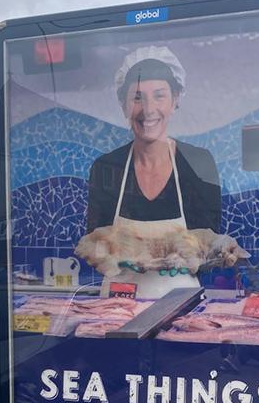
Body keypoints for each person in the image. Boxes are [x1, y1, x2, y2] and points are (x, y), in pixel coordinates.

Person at [84, 46, 222, 298]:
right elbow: (94, 243)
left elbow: (209, 246)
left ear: (175, 99)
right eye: (137, 97)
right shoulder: (106, 167)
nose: (148, 109)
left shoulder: (198, 163)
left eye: (159, 95)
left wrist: (187, 257)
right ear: (123, 104)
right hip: (116, 310)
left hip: (182, 308)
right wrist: (108, 256)